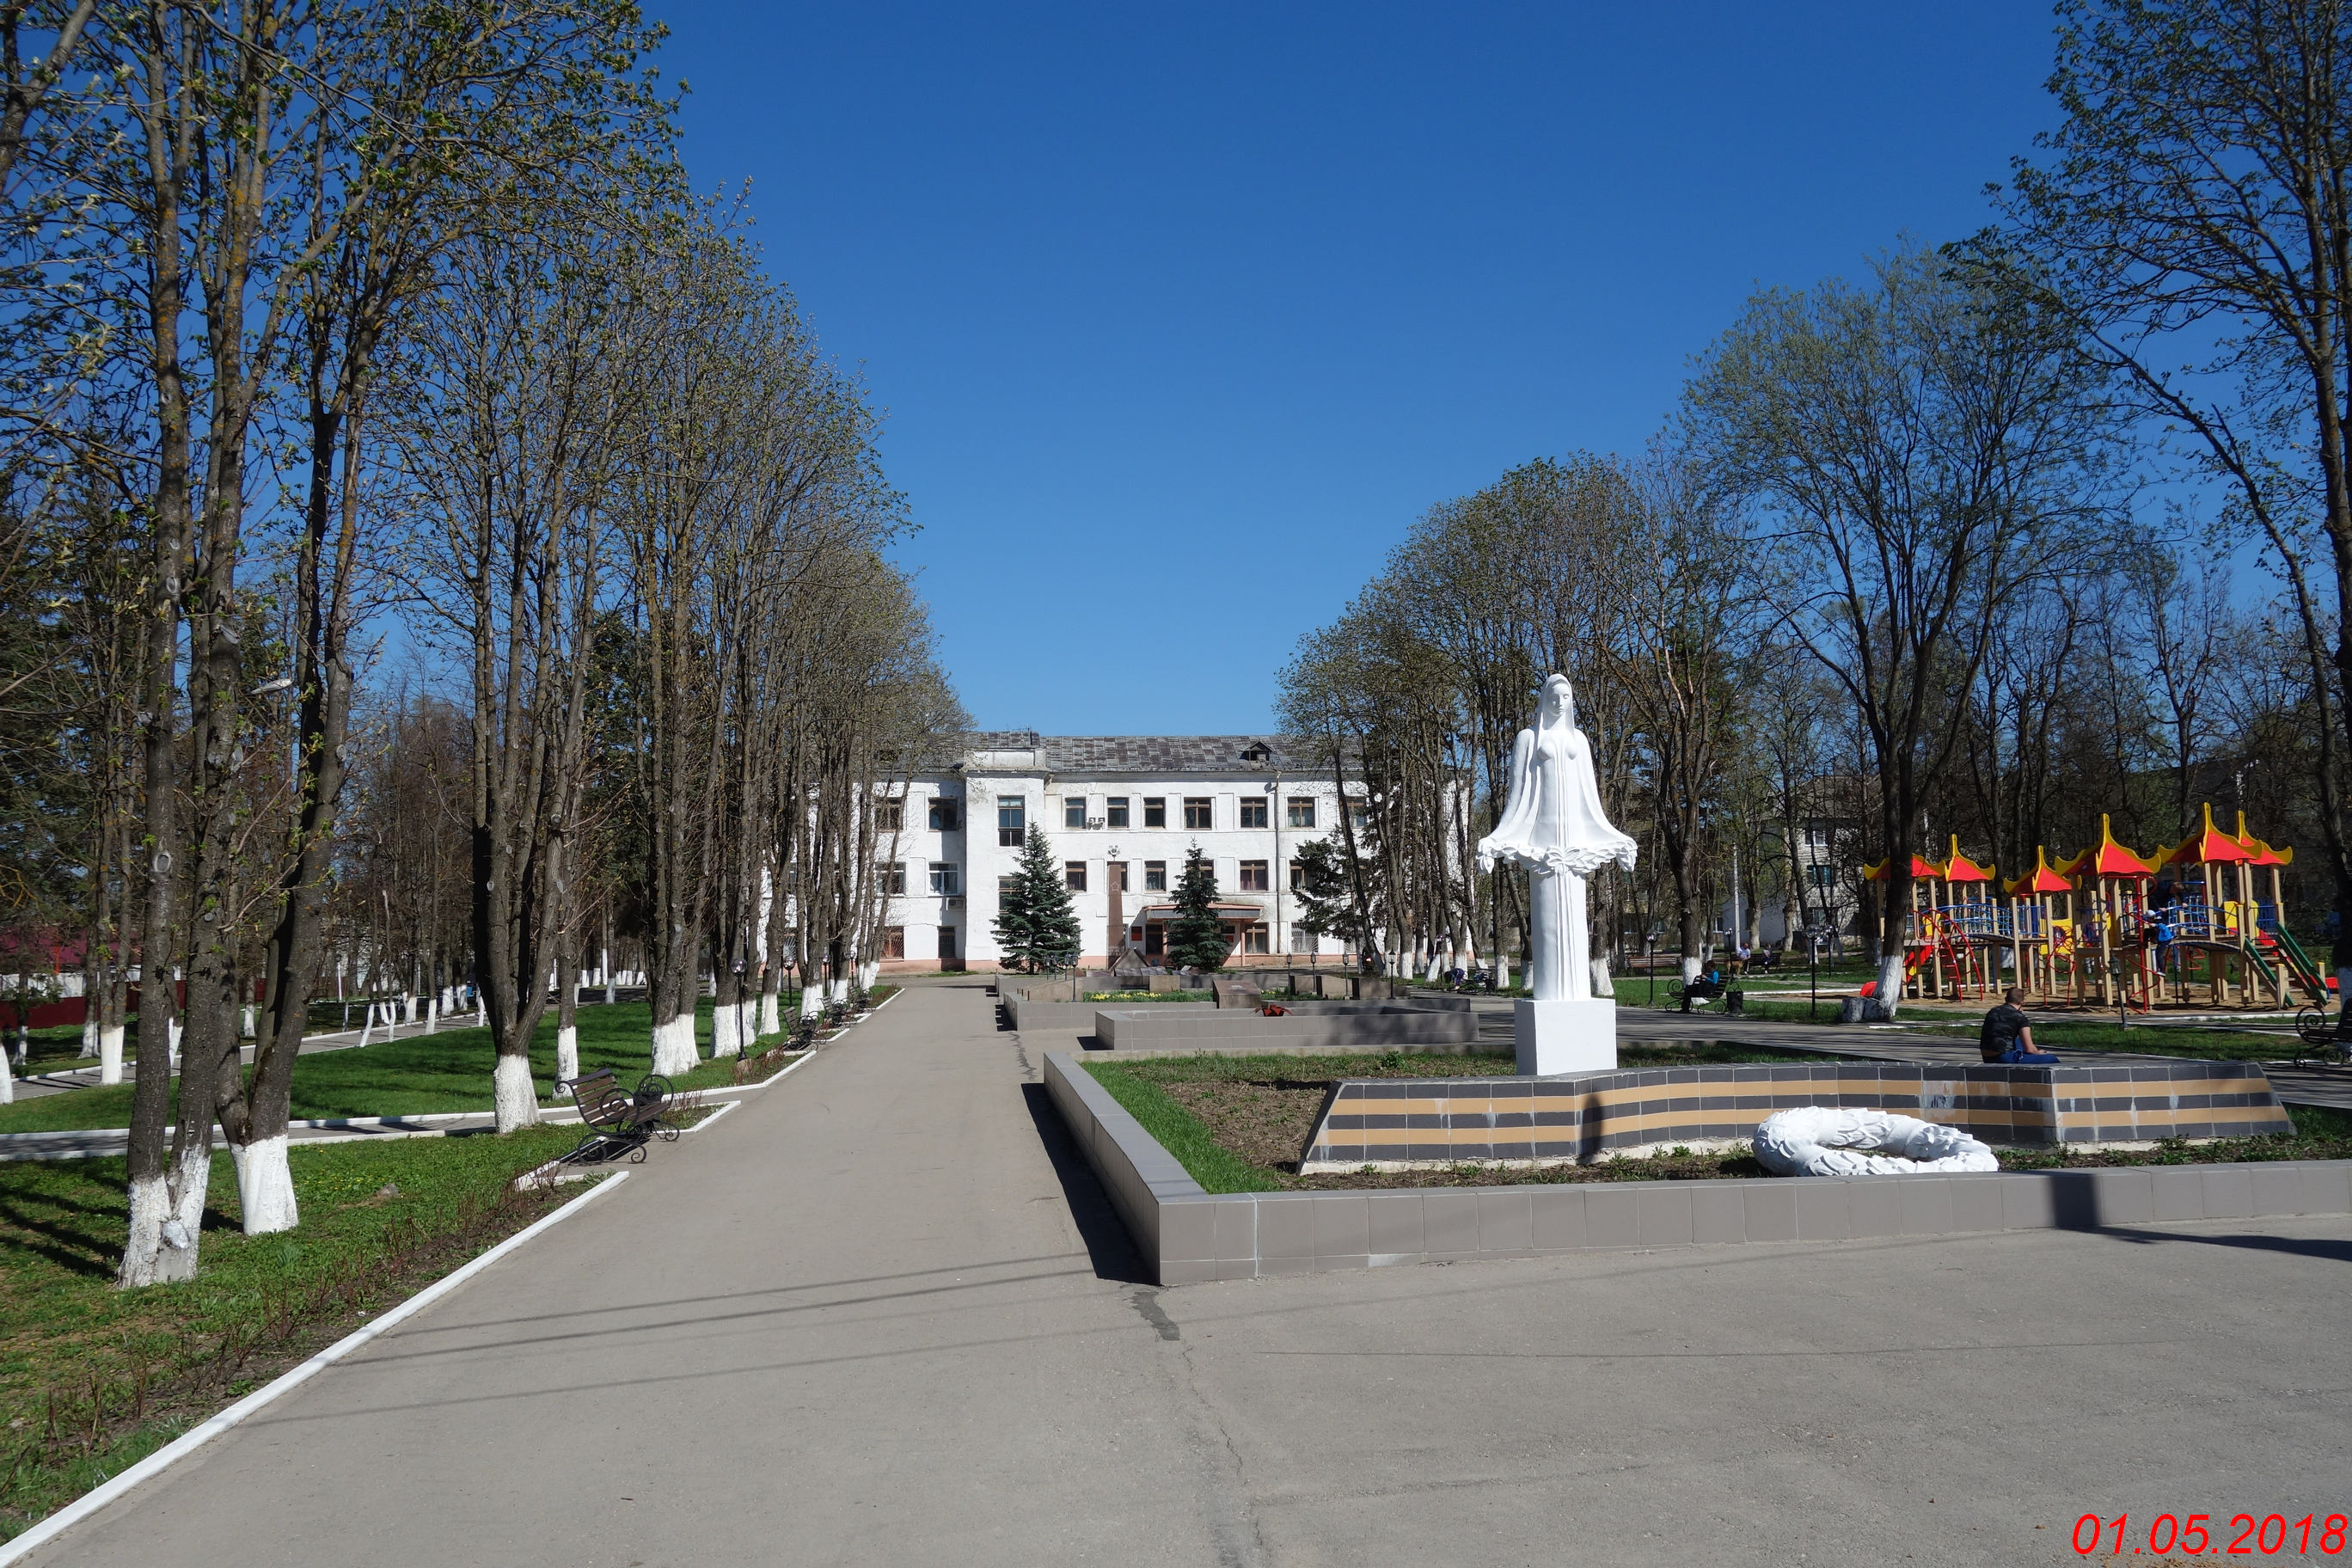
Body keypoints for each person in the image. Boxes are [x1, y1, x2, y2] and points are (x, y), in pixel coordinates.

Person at [1980, 986, 2056, 1064]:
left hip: (1987, 1057)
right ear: (2023, 1003)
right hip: (2004, 1057)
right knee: (2052, 1059)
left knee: (2018, 1040)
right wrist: (2038, 1053)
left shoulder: (1993, 1011)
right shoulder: (2020, 1018)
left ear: (2006, 999)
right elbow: (2029, 1049)